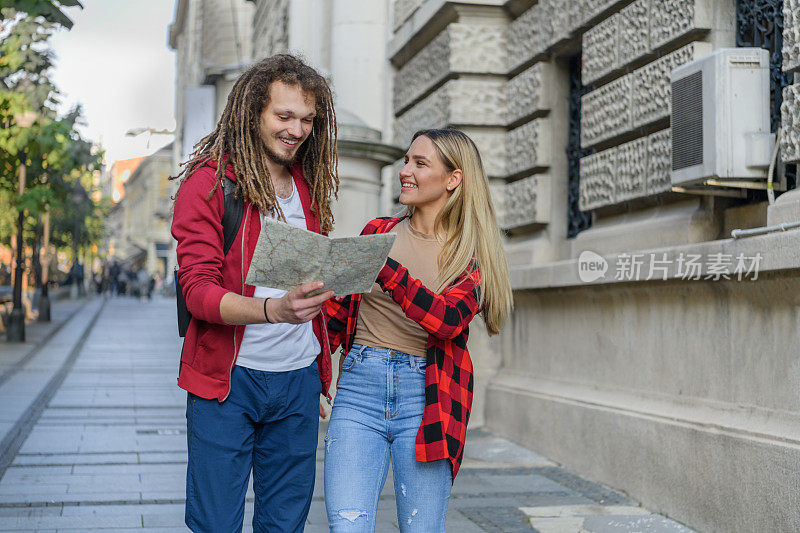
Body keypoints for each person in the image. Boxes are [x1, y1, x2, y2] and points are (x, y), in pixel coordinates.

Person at [170, 54, 339, 533]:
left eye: (307, 119)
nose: (297, 130)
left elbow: (312, 275)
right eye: (283, 117)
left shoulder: (308, 186)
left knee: (285, 524)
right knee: (216, 524)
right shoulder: (208, 184)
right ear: (253, 114)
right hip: (228, 382)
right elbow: (199, 293)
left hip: (298, 381)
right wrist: (275, 310)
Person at [323, 129, 514, 532]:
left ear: (453, 179)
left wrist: (387, 269)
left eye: (419, 163)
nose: (404, 171)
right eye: (406, 161)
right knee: (347, 526)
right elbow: (337, 314)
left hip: (427, 399)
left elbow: (446, 320)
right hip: (359, 391)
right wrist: (317, 372)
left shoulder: (472, 257)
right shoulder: (377, 232)